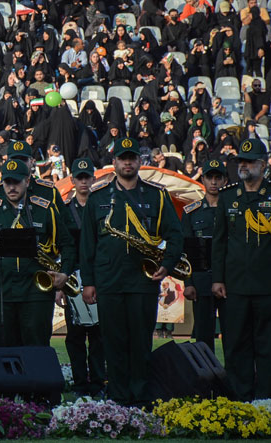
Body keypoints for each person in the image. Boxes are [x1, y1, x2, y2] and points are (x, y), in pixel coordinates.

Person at [81, 137, 183, 406]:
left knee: (140, 343)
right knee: (112, 344)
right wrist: (88, 282)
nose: (127, 162)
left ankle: (139, 397)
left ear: (140, 162)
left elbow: (175, 235)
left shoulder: (157, 195)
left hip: (143, 281)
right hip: (108, 281)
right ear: (113, 162)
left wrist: (167, 264)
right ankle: (117, 397)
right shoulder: (98, 197)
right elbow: (87, 244)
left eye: (132, 158)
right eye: (122, 158)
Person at [212, 138, 271, 400]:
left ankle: (267, 397)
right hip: (235, 284)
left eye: (250, 162)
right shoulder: (228, 196)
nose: (244, 166)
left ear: (263, 165)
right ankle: (240, 397)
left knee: (266, 344)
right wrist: (217, 279)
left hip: (268, 283)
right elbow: (219, 242)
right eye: (241, 161)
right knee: (236, 343)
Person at [0, 158, 76, 347]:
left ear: (27, 181)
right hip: (0, 291)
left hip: (35, 293)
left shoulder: (45, 209)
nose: (12, 187)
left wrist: (64, 273)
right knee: (4, 352)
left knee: (37, 348)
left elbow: (67, 244)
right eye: (8, 182)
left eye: (16, 182)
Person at [63, 157, 105, 396]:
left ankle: (98, 383)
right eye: (79, 178)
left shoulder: (101, 206)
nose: (83, 181)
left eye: (86, 177)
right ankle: (80, 384)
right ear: (72, 180)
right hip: (73, 278)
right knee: (75, 336)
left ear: (93, 179)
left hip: (99, 277)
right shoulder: (66, 210)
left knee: (99, 336)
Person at [181, 158, 228, 352]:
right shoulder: (191, 211)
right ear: (204, 180)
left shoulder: (234, 209)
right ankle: (206, 380)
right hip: (201, 281)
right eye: (210, 177)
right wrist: (189, 283)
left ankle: (233, 380)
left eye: (218, 177)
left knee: (233, 336)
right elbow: (185, 252)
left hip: (229, 280)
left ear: (225, 180)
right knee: (203, 338)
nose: (214, 182)